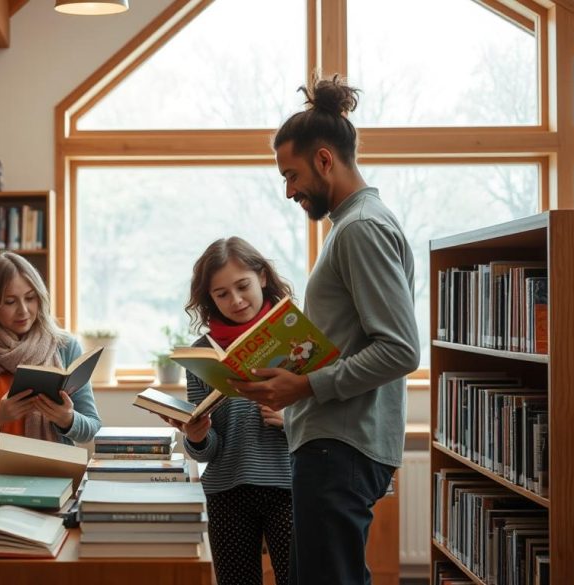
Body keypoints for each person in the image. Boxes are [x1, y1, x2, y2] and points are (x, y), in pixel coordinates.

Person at [230, 74, 421, 585]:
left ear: (323, 160)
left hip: (339, 446)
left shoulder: (360, 229)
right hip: (336, 442)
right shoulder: (356, 224)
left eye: (291, 175)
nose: (289, 191)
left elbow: (401, 349)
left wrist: (304, 384)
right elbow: (359, 340)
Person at [161, 237, 293, 585]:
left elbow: (327, 417)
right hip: (226, 491)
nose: (235, 301)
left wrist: (292, 420)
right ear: (210, 299)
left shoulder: (297, 337)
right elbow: (208, 447)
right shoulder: (202, 353)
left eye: (242, 286)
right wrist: (197, 437)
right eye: (221, 294)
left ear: (262, 277)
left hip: (291, 485)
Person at [0, 252, 102, 475]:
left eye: (30, 297)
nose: (23, 310)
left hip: (50, 482)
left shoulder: (65, 347)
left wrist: (67, 418)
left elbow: (92, 428)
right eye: (10, 302)